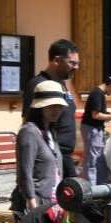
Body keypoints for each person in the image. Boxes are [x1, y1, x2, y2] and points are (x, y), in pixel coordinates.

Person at [23, 39, 80, 179]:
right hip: (50, 158)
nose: (76, 67)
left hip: (64, 157)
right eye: (72, 63)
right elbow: (28, 121)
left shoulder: (61, 84)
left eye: (77, 63)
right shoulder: (38, 85)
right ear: (57, 60)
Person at [11, 81, 67, 221]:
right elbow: (25, 173)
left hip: (52, 202)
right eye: (51, 105)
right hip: (35, 203)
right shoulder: (29, 132)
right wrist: (32, 206)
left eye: (59, 106)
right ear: (40, 106)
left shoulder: (50, 131)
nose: (56, 110)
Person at [80, 75, 111, 185]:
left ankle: (100, 187)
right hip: (92, 129)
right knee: (92, 161)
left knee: (99, 160)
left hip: (95, 129)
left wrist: (109, 114)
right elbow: (96, 115)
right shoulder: (98, 94)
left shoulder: (99, 93)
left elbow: (98, 111)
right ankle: (91, 189)